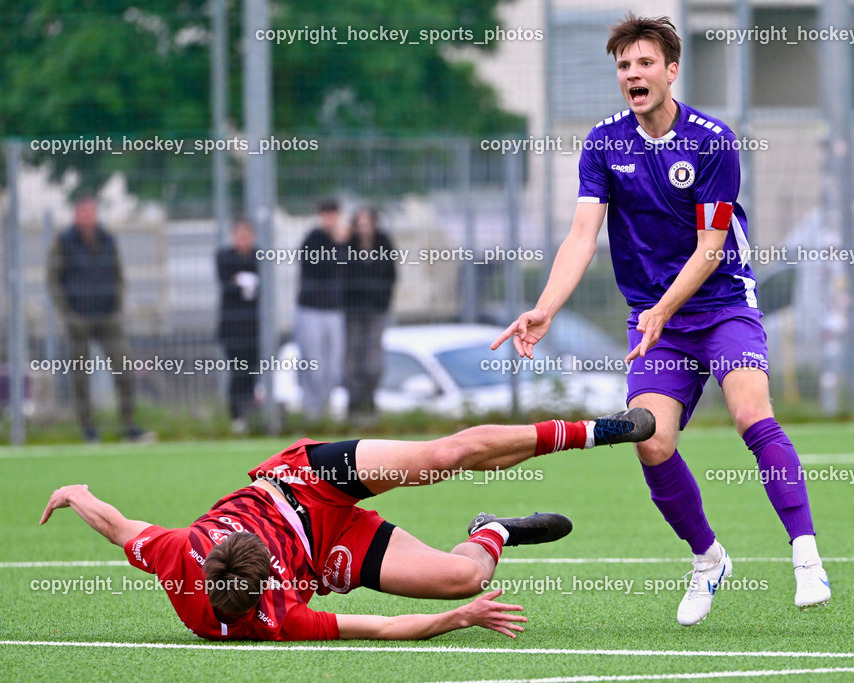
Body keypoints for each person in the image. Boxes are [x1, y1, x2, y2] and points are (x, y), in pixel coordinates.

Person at [493, 14, 830, 626]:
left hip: (722, 303)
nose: (633, 74)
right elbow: (579, 237)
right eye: (624, 66)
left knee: (752, 413)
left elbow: (710, 248)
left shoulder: (712, 141)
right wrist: (545, 307)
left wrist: (662, 310)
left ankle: (806, 555)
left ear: (671, 71)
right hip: (657, 320)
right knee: (650, 438)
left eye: (645, 63)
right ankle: (707, 559)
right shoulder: (603, 144)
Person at [39, 408, 655, 641]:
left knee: (443, 459)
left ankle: (590, 432)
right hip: (333, 546)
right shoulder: (280, 619)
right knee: (464, 579)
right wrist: (457, 618)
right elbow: (385, 627)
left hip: (305, 480)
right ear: (269, 592)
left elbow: (121, 527)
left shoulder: (178, 557)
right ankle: (494, 528)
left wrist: (75, 491)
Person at [45, 195, 152, 443]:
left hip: (108, 317)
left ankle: (128, 424)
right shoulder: (64, 242)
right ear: (76, 215)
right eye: (82, 212)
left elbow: (118, 275)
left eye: (91, 212)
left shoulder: (108, 240)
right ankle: (88, 428)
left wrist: (116, 308)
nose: (87, 217)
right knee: (81, 375)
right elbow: (53, 280)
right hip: (78, 319)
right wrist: (68, 314)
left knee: (124, 367)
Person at [295, 200, 349, 420]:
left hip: (334, 310)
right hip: (311, 310)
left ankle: (325, 411)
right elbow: (321, 267)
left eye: (333, 213)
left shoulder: (346, 241)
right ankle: (311, 414)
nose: (330, 218)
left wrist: (343, 244)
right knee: (313, 365)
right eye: (326, 213)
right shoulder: (313, 239)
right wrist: (337, 244)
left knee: (334, 368)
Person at [342, 207, 397, 420]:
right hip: (353, 310)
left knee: (373, 360)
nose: (364, 227)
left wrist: (381, 300)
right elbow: (343, 275)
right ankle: (353, 404)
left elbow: (390, 275)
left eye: (368, 222)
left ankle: (369, 400)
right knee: (353, 357)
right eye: (360, 222)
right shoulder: (348, 246)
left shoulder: (384, 242)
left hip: (376, 310)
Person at [216, 218, 260, 433]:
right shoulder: (224, 256)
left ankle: (250, 413)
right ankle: (236, 415)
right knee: (238, 371)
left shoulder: (260, 257)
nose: (243, 239)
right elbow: (227, 283)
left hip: (255, 327)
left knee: (253, 371)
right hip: (233, 328)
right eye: (239, 234)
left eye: (246, 234)